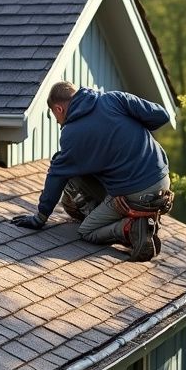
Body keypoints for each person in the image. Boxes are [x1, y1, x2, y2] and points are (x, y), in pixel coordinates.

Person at [10, 81, 173, 261]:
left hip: (131, 195)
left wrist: (39, 218)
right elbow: (161, 116)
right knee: (76, 170)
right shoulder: (114, 98)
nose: (57, 122)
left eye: (54, 117)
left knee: (87, 231)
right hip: (162, 182)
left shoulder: (71, 135)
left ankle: (130, 228)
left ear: (58, 109)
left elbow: (57, 174)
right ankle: (144, 221)